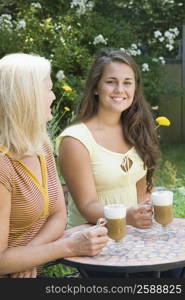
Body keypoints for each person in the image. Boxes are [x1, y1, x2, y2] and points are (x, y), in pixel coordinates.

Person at [56, 49, 183, 278]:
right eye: (111, 82)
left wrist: (147, 210)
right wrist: (127, 215)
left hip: (134, 236)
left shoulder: (136, 130)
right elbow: (87, 206)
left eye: (127, 83)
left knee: (175, 269)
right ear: (96, 87)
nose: (120, 90)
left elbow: (142, 191)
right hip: (97, 242)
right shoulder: (76, 140)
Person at [0, 53, 108, 278]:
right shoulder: (3, 166)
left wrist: (29, 256)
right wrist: (70, 246)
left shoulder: (40, 146)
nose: (54, 96)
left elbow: (59, 215)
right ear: (27, 98)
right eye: (48, 89)